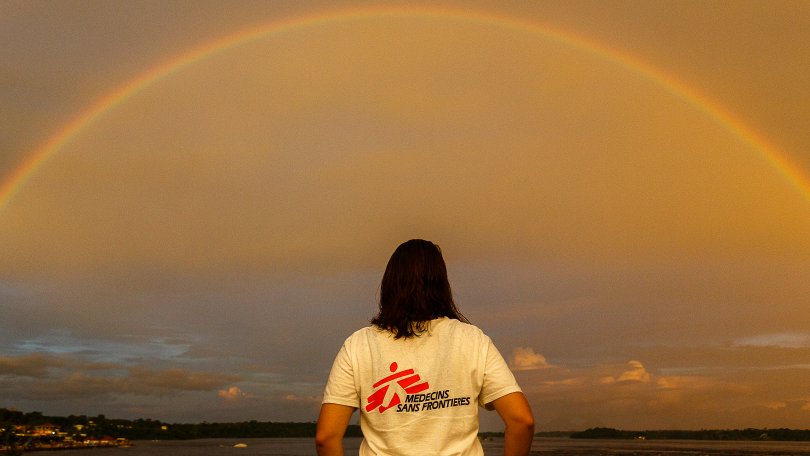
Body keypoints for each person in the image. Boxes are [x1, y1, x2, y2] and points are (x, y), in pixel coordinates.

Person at [316, 239, 534, 456]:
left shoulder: (358, 345)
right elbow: (521, 421)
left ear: (390, 283)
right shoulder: (472, 340)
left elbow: (326, 438)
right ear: (441, 284)